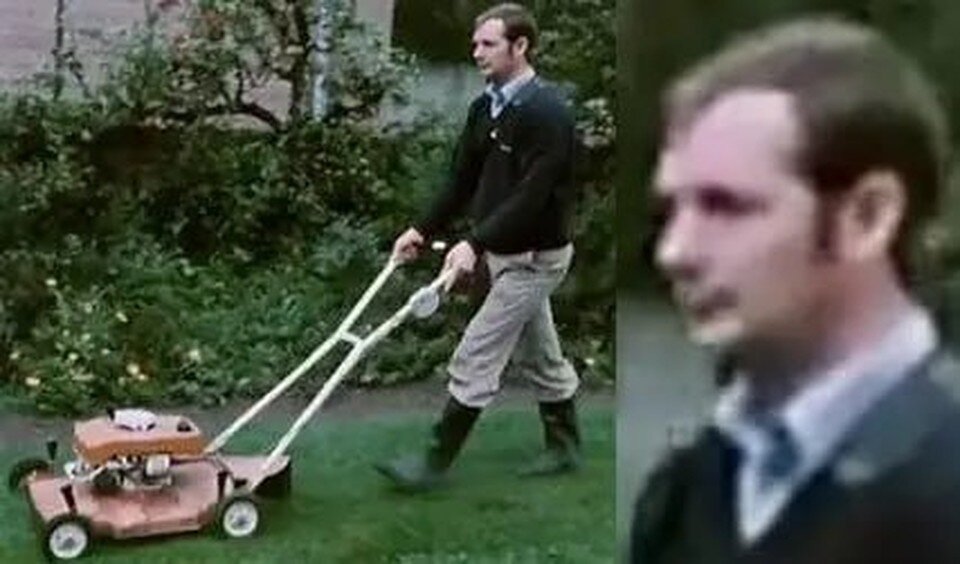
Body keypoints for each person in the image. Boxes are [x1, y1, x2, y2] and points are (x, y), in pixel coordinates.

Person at [630, 16, 960, 563]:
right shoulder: (687, 488)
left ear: (867, 216)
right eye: (672, 210)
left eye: (726, 207)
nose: (675, 252)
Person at [375, 3, 581, 492]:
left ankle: (432, 465)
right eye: (475, 44)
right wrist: (421, 230)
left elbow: (532, 196)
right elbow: (461, 181)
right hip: (502, 252)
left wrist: (473, 242)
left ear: (520, 46)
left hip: (534, 259)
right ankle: (566, 448)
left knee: (476, 353)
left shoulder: (548, 114)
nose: (476, 53)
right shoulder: (485, 107)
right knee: (542, 358)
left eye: (488, 44)